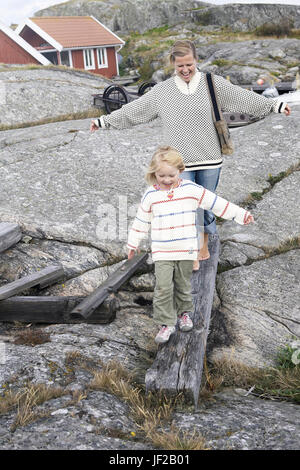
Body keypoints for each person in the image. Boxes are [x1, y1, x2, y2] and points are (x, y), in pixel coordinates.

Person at [91, 39, 291, 270]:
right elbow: (135, 110)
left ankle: (203, 245)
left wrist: (275, 105)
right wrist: (103, 121)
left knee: (205, 205)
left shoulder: (212, 83)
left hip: (209, 157)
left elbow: (242, 98)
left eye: (189, 65)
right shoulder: (162, 91)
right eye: (180, 66)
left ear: (196, 61)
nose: (185, 70)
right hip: (177, 164)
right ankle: (190, 250)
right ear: (172, 65)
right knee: (184, 209)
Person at [127, 146, 254, 344]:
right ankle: (166, 324)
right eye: (161, 176)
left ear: (180, 171)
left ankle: (183, 314)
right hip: (162, 251)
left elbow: (216, 203)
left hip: (186, 249)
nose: (167, 180)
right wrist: (133, 243)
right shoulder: (150, 195)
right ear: (154, 173)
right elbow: (141, 220)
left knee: (183, 285)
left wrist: (241, 215)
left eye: (171, 175)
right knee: (162, 288)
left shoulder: (191, 190)